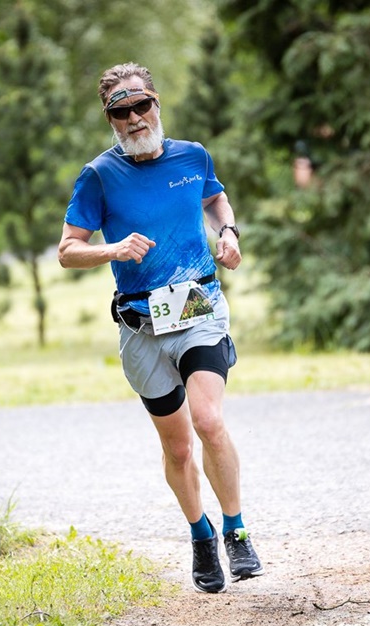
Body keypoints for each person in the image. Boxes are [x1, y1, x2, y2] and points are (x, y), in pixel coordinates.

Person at [58, 62, 263, 593]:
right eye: (119, 112)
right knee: (176, 449)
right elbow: (68, 250)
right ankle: (201, 534)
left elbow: (215, 198)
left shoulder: (193, 156)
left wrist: (230, 233)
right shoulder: (99, 175)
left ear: (156, 103)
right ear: (110, 119)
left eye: (140, 106)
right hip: (140, 321)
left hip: (197, 303)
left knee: (209, 420)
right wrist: (114, 248)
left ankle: (237, 530)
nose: (133, 119)